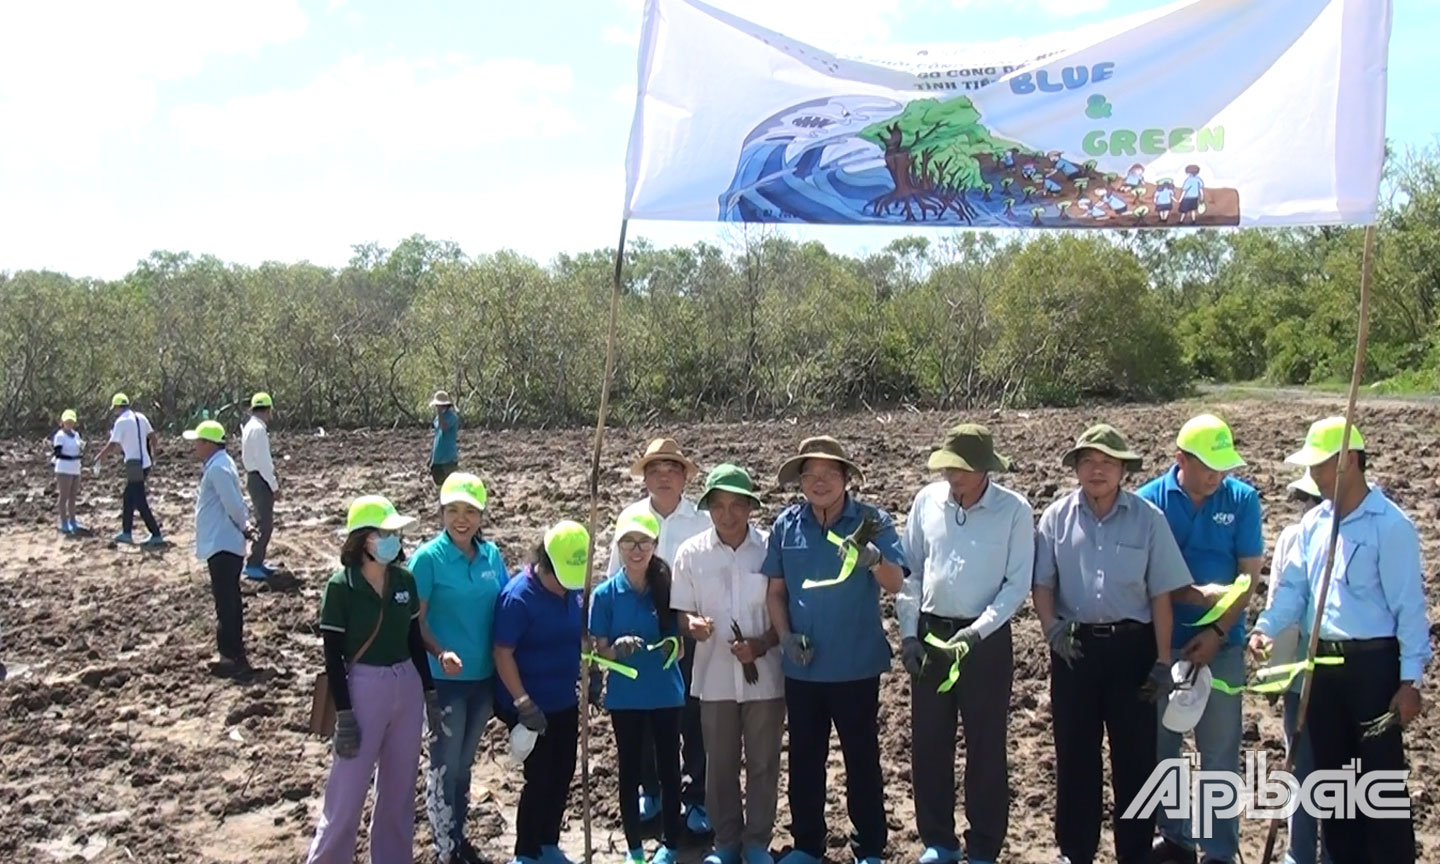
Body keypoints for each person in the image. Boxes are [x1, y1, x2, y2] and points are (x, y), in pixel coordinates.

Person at [1250, 418, 1429, 864]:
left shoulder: (1390, 526)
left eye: (1320, 465)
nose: (1312, 476)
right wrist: (1266, 628)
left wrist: (1410, 681)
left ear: (1349, 461)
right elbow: (1293, 591)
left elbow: (1410, 608)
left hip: (1374, 668)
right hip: (1323, 668)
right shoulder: (1313, 526)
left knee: (1381, 784)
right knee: (1336, 788)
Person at [1031, 424, 1192, 864]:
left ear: (1123, 469)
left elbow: (1161, 594)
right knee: (1075, 754)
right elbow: (1043, 584)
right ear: (1077, 469)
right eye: (1088, 462)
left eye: (1107, 463)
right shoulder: (1056, 518)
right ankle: (1075, 851)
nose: (1096, 470)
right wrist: (1051, 630)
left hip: (1132, 651)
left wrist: (1162, 660)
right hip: (1075, 650)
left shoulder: (1147, 519)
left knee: (1135, 759)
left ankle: (1135, 852)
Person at [763, 436, 907, 864]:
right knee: (806, 759)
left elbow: (897, 582)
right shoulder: (787, 525)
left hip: (856, 666)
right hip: (803, 669)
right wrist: (785, 637)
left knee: (862, 758)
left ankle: (870, 847)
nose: (819, 483)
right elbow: (775, 593)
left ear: (847, 478)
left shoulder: (872, 521)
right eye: (811, 475)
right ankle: (808, 844)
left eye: (830, 474)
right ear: (801, 481)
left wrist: (875, 559)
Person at [898, 425, 1034, 864]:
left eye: (961, 468)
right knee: (930, 742)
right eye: (948, 467)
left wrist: (977, 633)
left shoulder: (1014, 511)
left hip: (986, 640)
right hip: (932, 634)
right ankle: (939, 839)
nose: (952, 476)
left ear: (983, 470)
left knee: (986, 743)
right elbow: (910, 572)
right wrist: (907, 634)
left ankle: (984, 844)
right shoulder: (926, 503)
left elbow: (1016, 585)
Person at [1138, 414, 1261, 864]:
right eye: (1207, 466)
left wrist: (1218, 631)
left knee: (1219, 747)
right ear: (1180, 459)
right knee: (1163, 743)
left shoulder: (1242, 500)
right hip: (1162, 641)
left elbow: (1248, 576)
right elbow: (1146, 578)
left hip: (1222, 645)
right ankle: (1175, 837)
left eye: (1222, 466)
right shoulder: (1149, 501)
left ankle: (1220, 849)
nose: (1216, 476)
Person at [306, 495, 440, 864]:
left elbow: (414, 640)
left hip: (406, 686)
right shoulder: (341, 586)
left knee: (398, 794)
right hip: (363, 688)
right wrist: (345, 714)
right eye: (384, 532)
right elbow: (332, 654)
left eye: (394, 532)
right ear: (362, 539)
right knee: (345, 797)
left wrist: (428, 692)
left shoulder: (404, 580)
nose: (392, 539)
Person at [672, 464, 781, 864]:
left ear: (751, 507)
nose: (727, 514)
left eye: (737, 505)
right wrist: (693, 626)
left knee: (763, 761)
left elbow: (781, 611)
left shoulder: (771, 549)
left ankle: (757, 842)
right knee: (719, 764)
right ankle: (726, 841)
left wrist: (763, 643)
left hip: (765, 678)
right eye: (718, 506)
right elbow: (681, 613)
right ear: (708, 508)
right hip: (714, 676)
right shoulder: (691, 554)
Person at [608, 438, 713, 834]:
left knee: (693, 715)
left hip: (688, 630)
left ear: (685, 476)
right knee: (646, 716)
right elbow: (611, 575)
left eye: (672, 469)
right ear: (645, 477)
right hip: (640, 632)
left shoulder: (702, 519)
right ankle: (649, 788)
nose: (664, 477)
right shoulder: (629, 516)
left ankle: (697, 795)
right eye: (655, 469)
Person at [411, 473, 507, 864]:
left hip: (484, 679)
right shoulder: (427, 560)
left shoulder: (492, 556)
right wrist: (439, 651)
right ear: (442, 512)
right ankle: (444, 849)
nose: (461, 519)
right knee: (444, 767)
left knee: (465, 765)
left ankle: (458, 836)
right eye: (453, 510)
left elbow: (505, 607)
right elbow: (414, 622)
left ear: (482, 514)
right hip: (444, 682)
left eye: (469, 511)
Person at [592, 511, 687, 864]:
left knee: (669, 769)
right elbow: (599, 651)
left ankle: (671, 845)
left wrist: (671, 647)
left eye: (643, 542)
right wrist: (617, 649)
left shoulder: (669, 587)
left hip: (665, 694)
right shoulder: (605, 595)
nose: (636, 550)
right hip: (625, 697)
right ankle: (634, 849)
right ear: (618, 546)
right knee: (629, 771)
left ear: (655, 546)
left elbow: (680, 644)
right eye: (629, 543)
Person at [493, 520, 589, 864]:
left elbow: (579, 638)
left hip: (564, 698)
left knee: (563, 770)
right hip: (528, 701)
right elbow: (502, 653)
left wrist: (589, 670)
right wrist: (523, 703)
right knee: (540, 775)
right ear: (544, 563)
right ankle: (526, 850)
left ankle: (548, 842)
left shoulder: (574, 593)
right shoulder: (519, 597)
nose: (567, 587)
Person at [1263, 470, 1331, 864]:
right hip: (1301, 676)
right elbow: (1282, 609)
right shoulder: (1295, 537)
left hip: (1340, 673)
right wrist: (1277, 672)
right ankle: (1299, 853)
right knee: (1302, 769)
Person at [182, 420, 251, 673]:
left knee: (226, 602)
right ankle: (234, 652)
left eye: (198, 442)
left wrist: (244, 526)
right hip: (223, 542)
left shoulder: (219, 468)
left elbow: (232, 504)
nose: (195, 448)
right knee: (229, 599)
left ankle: (230, 656)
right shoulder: (220, 464)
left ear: (209, 443)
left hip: (223, 543)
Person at [92, 392, 164, 546]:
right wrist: (154, 453)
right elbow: (153, 437)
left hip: (133, 464)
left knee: (139, 500)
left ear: (117, 407)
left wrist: (99, 457)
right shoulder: (141, 417)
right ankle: (126, 531)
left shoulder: (121, 422)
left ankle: (155, 533)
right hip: (145, 463)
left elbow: (113, 445)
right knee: (128, 496)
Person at [241, 392, 278, 580]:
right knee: (265, 524)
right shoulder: (259, 430)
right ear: (268, 409)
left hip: (254, 477)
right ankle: (253, 563)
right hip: (260, 479)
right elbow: (263, 461)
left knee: (262, 521)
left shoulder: (250, 427)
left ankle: (258, 560)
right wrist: (274, 485)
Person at [52, 408, 86, 534]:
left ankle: (73, 520)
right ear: (62, 422)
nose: (69, 424)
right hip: (64, 469)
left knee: (73, 497)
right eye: (67, 421)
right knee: (64, 496)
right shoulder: (60, 436)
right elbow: (58, 454)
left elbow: (79, 449)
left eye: (72, 421)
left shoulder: (76, 435)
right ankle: (64, 522)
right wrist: (73, 457)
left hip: (75, 469)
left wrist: (80, 454)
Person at [430, 391, 460, 486]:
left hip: (448, 459)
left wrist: (440, 413)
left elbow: (444, 427)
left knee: (450, 486)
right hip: (437, 458)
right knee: (439, 485)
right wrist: (431, 457)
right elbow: (437, 437)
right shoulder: (437, 418)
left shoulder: (452, 417)